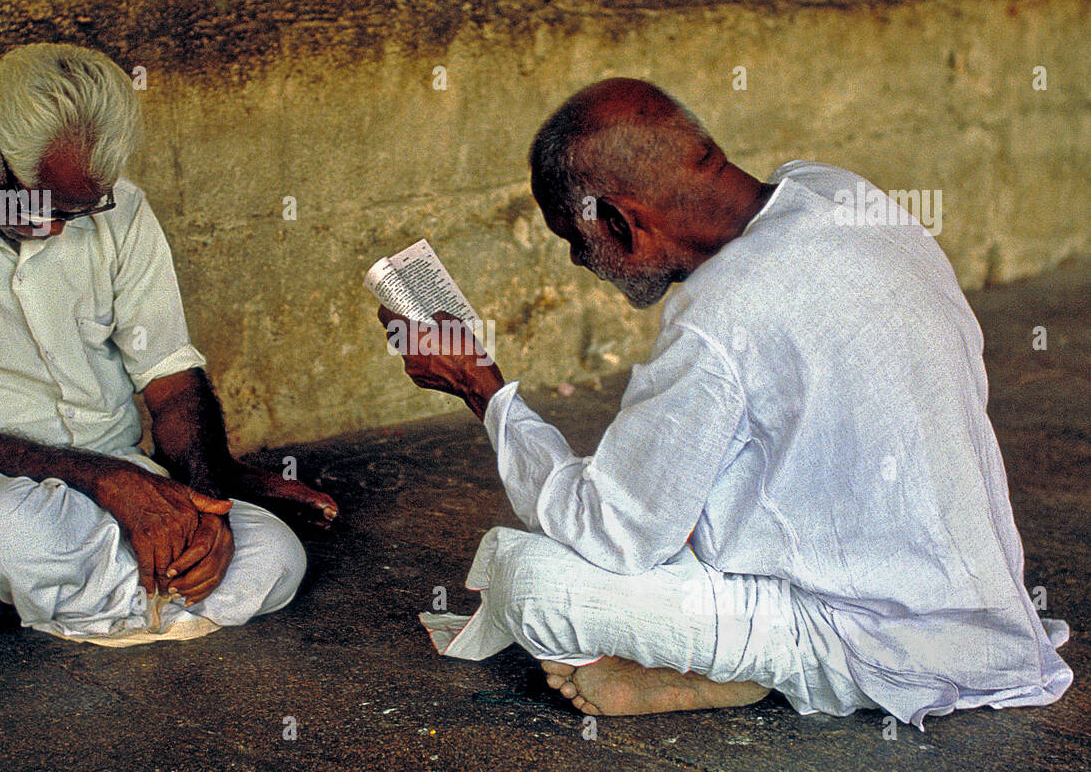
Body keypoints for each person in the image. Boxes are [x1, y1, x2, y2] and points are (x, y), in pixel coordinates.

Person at [379, 77, 1072, 727]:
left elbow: (615, 535)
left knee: (526, 578)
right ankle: (735, 666)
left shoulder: (717, 319)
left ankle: (778, 669)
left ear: (620, 224)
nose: (577, 264)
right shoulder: (832, 188)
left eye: (574, 241)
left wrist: (483, 390)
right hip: (976, 594)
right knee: (646, 498)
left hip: (870, 630)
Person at [0, 43, 337, 645]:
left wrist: (208, 506)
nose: (61, 226)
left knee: (275, 556)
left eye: (83, 209)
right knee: (1, 534)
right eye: (45, 204)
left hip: (119, 488)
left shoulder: (125, 211)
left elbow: (171, 382)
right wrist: (117, 488)